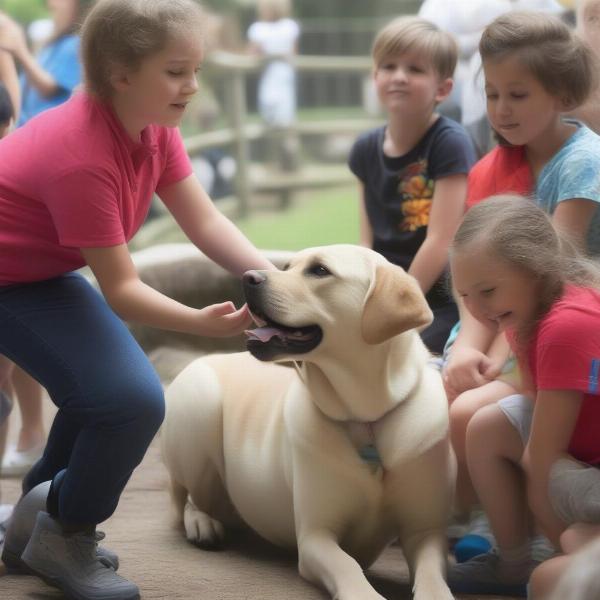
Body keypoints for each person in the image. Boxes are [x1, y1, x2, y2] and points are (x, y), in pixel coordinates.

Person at [0, 0, 275, 598]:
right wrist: (202, 326)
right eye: (177, 72)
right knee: (131, 400)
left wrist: (271, 281)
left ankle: (33, 524)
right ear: (121, 74)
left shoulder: (152, 126)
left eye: (196, 70)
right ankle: (66, 530)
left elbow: (203, 223)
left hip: (38, 273)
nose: (193, 86)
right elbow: (124, 290)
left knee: (101, 392)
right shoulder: (80, 154)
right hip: (8, 282)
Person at [442, 9, 600, 562]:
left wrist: (487, 354)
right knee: (444, 391)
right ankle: (463, 517)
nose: (501, 111)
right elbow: (478, 277)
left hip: (554, 330)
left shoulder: (583, 165)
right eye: (492, 95)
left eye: (518, 95)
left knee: (467, 413)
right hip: (500, 316)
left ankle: (504, 529)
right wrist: (464, 348)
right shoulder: (491, 167)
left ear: (560, 94)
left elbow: (542, 280)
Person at [447, 195, 600, 597]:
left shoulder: (566, 325)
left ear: (535, 269)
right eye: (465, 296)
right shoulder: (522, 311)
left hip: (587, 469)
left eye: (488, 291)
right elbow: (536, 400)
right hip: (581, 459)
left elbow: (541, 459)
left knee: (550, 579)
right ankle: (515, 563)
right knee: (487, 426)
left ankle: (566, 553)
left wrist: (557, 548)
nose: (478, 310)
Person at [348, 16, 477, 356]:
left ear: (443, 89)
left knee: (407, 354)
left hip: (440, 296)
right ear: (375, 76)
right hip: (383, 288)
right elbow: (367, 240)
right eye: (388, 66)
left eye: (416, 70)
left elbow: (441, 239)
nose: (399, 77)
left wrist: (397, 308)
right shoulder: (364, 148)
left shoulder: (449, 144)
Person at [0, 0, 92, 126]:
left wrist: (20, 50)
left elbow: (49, 88)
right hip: (22, 124)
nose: (51, 3)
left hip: (38, 130)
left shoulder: (75, 43)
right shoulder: (55, 44)